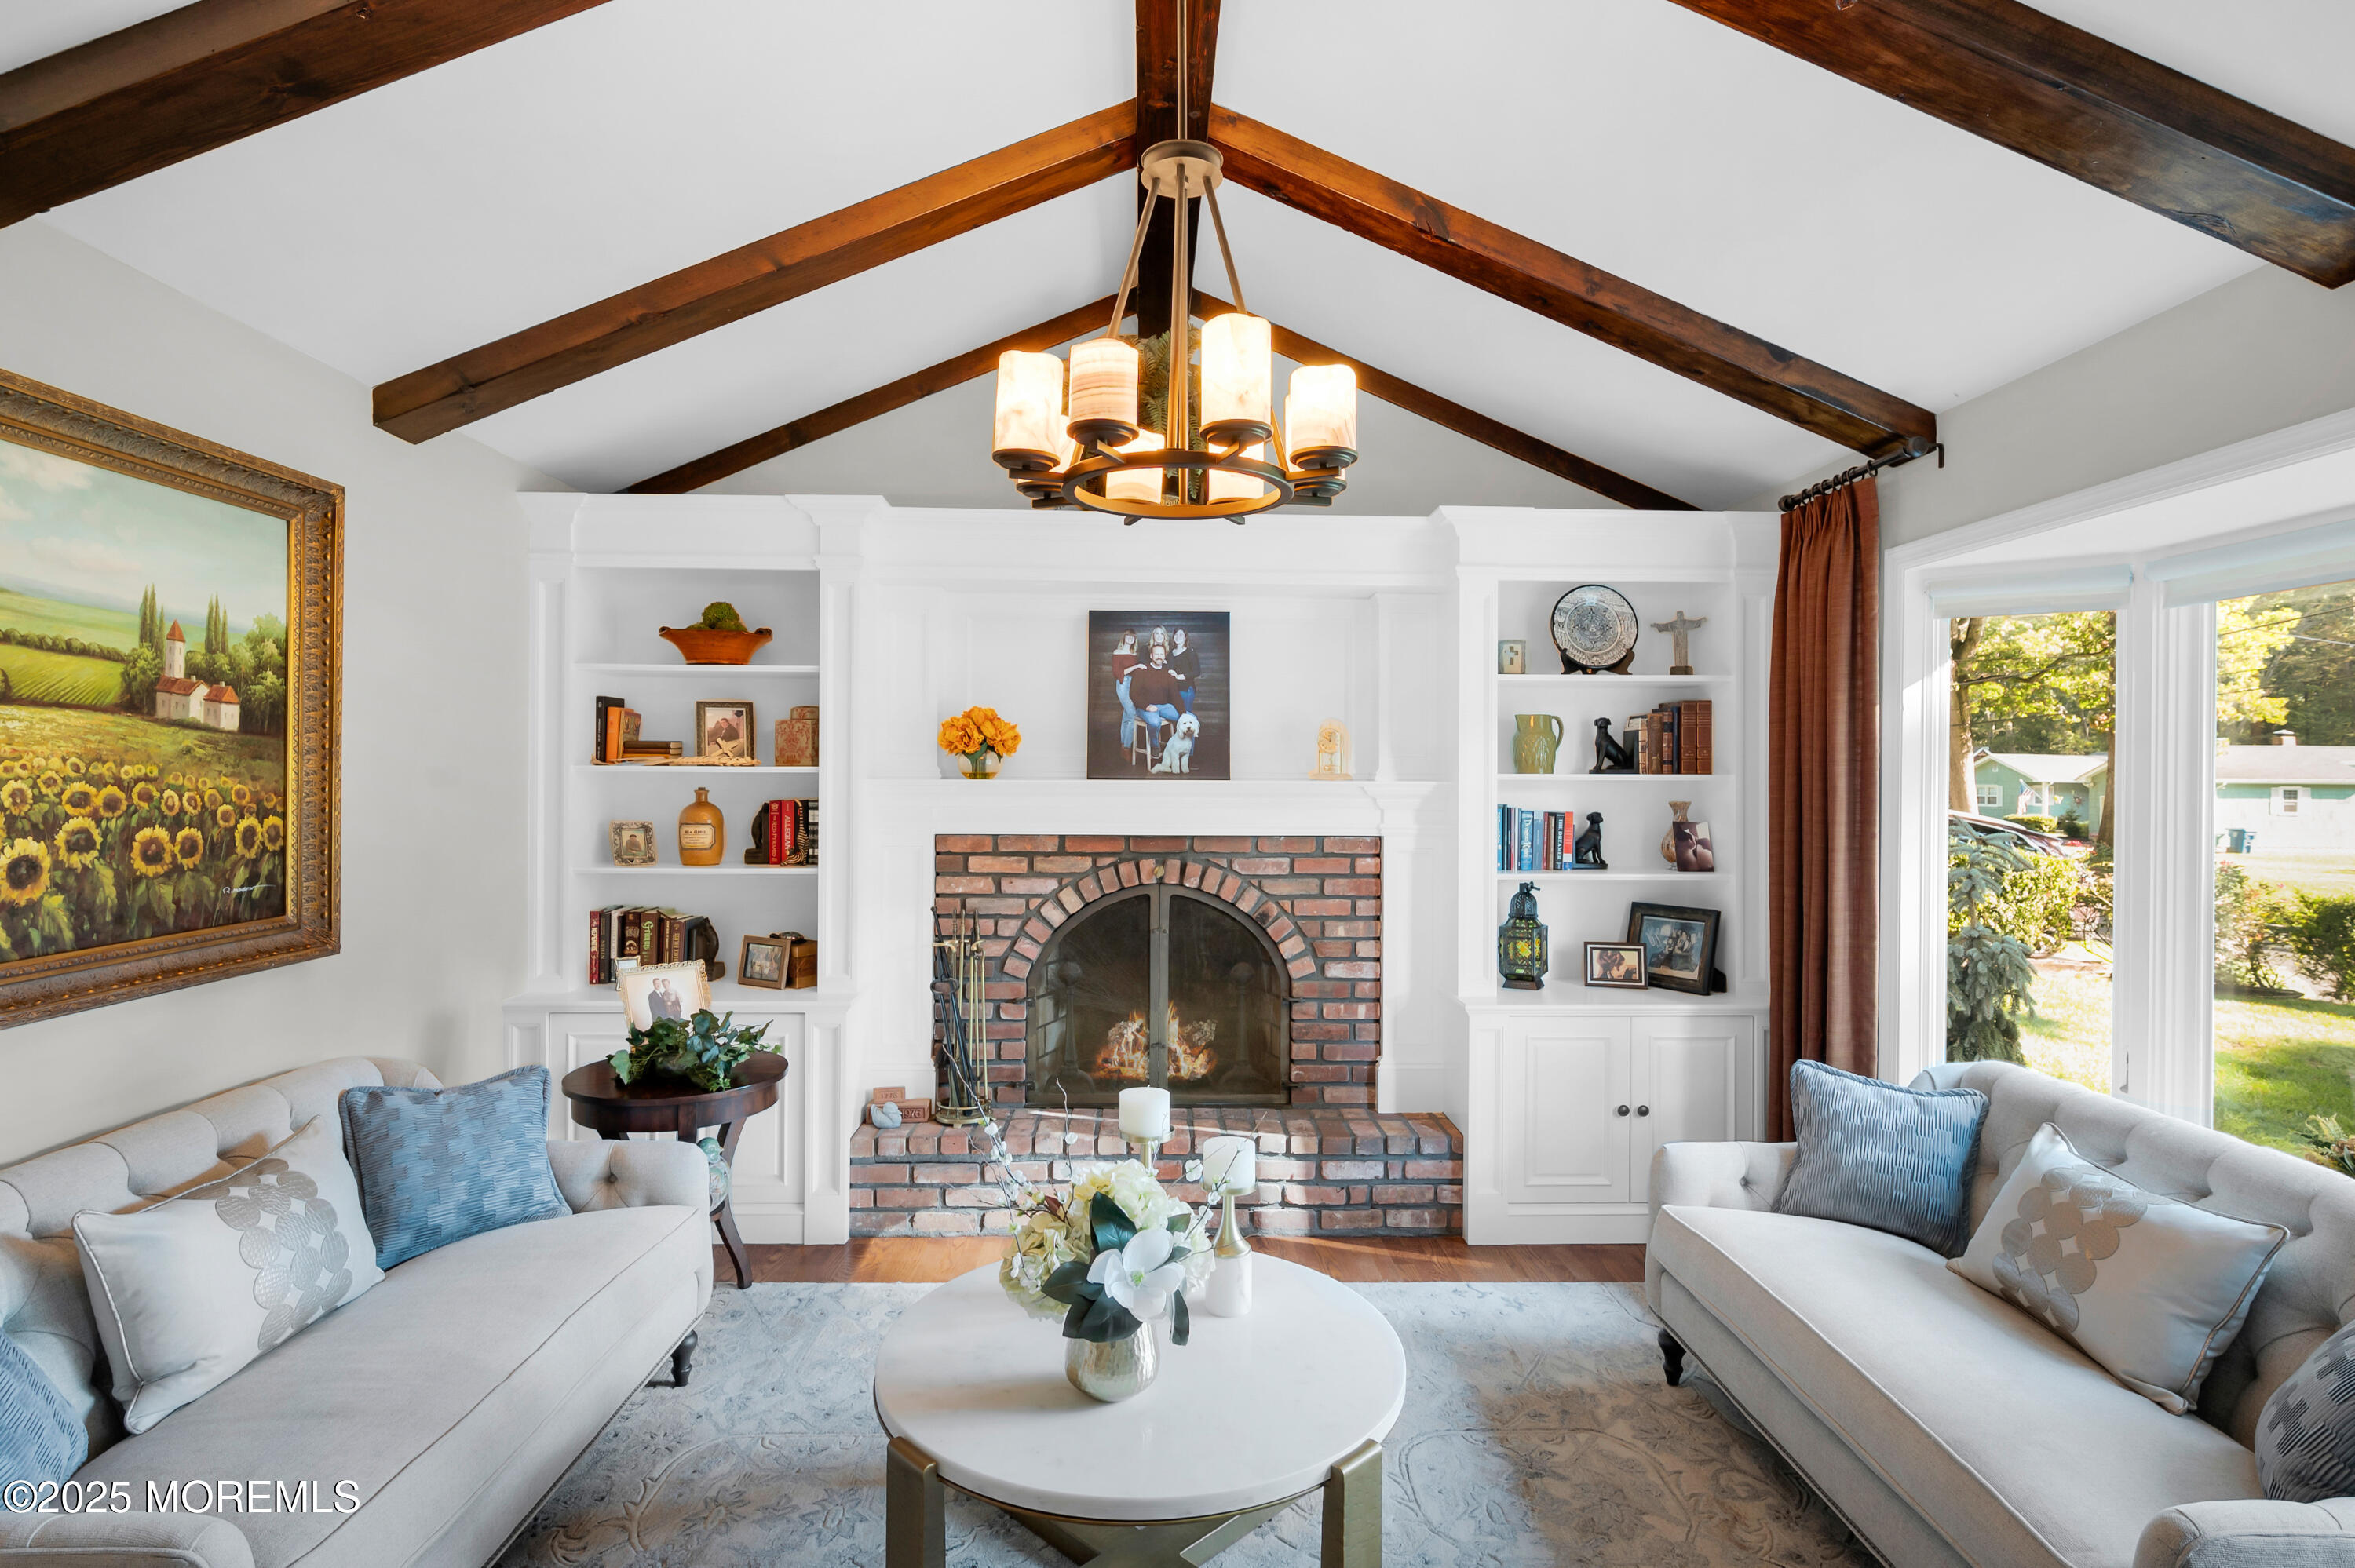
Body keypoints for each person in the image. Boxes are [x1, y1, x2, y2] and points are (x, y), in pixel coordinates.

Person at [1128, 644, 1185, 757]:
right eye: (1156, 654)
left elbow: (1175, 695)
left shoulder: (1168, 673)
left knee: (1189, 718)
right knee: (1154, 722)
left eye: (1162, 654)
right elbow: (1133, 693)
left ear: (1165, 656)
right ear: (1151, 656)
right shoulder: (1141, 671)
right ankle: (1155, 746)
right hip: (1144, 707)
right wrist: (1146, 706)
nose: (1159, 656)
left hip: (1164, 706)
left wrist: (1183, 714)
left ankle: (1181, 750)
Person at [1110, 629, 1146, 748]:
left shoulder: (1134, 653)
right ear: (1124, 637)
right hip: (1123, 683)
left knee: (1127, 715)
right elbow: (1117, 673)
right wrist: (1136, 667)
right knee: (1132, 714)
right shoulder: (1118, 652)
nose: (1130, 638)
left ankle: (1123, 744)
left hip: (1133, 684)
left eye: (1133, 637)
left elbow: (1138, 670)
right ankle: (1127, 747)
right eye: (1128, 636)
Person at [1167, 626, 1196, 715]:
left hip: (1186, 690)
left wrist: (1180, 676)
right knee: (1175, 716)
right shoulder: (1170, 653)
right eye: (1176, 634)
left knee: (1185, 716)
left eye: (1181, 635)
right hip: (1173, 690)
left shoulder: (1190, 652)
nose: (1178, 636)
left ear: (1185, 637)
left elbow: (1197, 671)